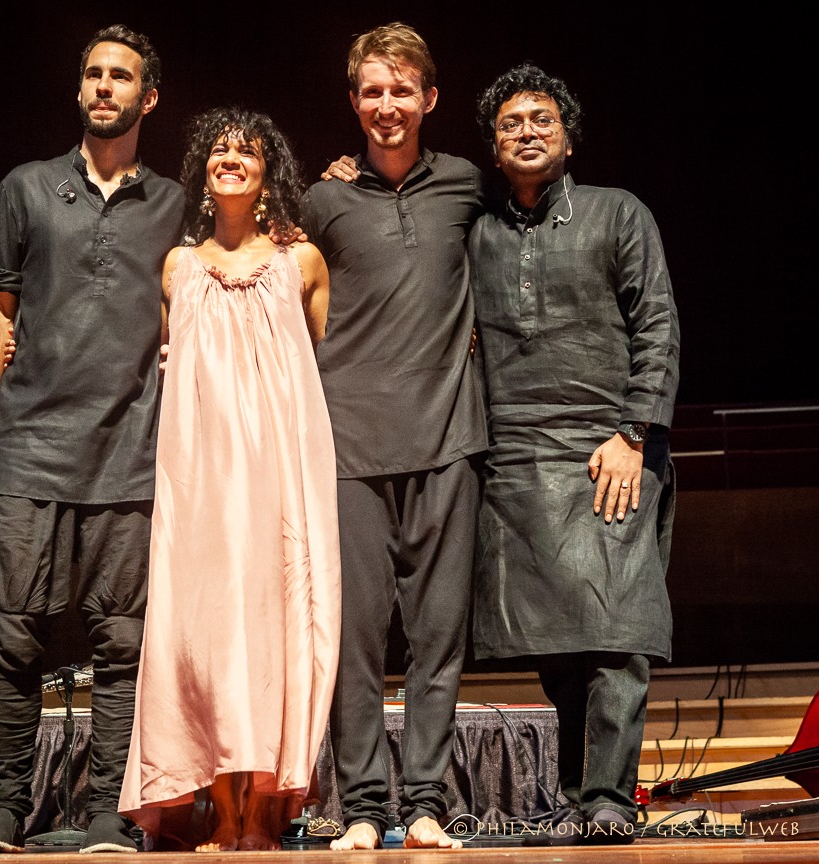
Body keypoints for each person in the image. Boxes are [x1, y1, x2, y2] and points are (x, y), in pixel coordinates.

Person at [0, 25, 186, 855]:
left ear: (147, 97)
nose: (102, 86)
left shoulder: (174, 201)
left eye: (120, 76)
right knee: (11, 631)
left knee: (122, 641)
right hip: (29, 444)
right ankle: (5, 808)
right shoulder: (26, 187)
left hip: (131, 449)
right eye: (92, 73)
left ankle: (107, 814)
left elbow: (250, 243)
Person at [116, 106, 340, 853]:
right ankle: (219, 806)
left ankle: (264, 813)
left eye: (247, 150)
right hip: (201, 476)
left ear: (269, 169)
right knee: (205, 631)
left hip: (278, 470)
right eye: (218, 149)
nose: (230, 158)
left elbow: (317, 361)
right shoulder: (178, 266)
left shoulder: (301, 262)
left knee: (273, 627)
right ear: (204, 173)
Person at [468, 63, 680, 846]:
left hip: (609, 447)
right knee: (555, 643)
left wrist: (633, 436)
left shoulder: (617, 214)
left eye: (542, 120)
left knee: (616, 634)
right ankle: (572, 795)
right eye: (512, 123)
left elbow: (657, 325)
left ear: (567, 136)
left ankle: (610, 798)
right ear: (494, 147)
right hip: (518, 456)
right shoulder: (479, 230)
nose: (528, 131)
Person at [300, 22, 490, 851]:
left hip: (449, 442)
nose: (387, 106)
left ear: (430, 98)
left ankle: (424, 804)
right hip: (347, 449)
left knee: (439, 640)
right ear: (353, 102)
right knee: (356, 642)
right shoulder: (323, 200)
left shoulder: (466, 186)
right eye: (372, 92)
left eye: (401, 90)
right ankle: (365, 808)